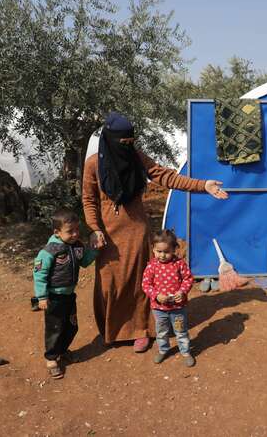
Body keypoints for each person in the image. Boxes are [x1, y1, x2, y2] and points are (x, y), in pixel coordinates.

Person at [82, 112, 228, 353]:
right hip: (107, 235)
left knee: (139, 283)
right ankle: (114, 330)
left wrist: (202, 185)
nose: (128, 147)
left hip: (137, 231)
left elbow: (165, 176)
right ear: (109, 139)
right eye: (123, 143)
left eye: (131, 142)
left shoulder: (136, 157)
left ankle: (141, 330)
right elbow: (88, 200)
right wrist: (95, 229)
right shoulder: (93, 165)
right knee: (111, 284)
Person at [33, 208, 98, 379]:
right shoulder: (49, 251)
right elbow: (39, 274)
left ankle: (63, 350)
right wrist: (42, 297)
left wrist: (93, 250)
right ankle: (52, 358)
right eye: (70, 231)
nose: (76, 234)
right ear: (57, 232)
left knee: (72, 326)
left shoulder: (76, 246)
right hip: (53, 298)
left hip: (69, 296)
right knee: (55, 328)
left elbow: (84, 262)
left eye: (78, 229)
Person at [142, 229, 195, 367]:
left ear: (174, 249)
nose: (163, 255)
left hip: (178, 307)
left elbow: (188, 279)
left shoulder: (179, 264)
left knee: (180, 330)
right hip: (159, 308)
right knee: (161, 331)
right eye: (159, 251)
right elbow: (146, 284)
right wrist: (156, 295)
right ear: (153, 249)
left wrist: (182, 292)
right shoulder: (151, 266)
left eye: (166, 251)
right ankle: (163, 349)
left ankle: (185, 352)